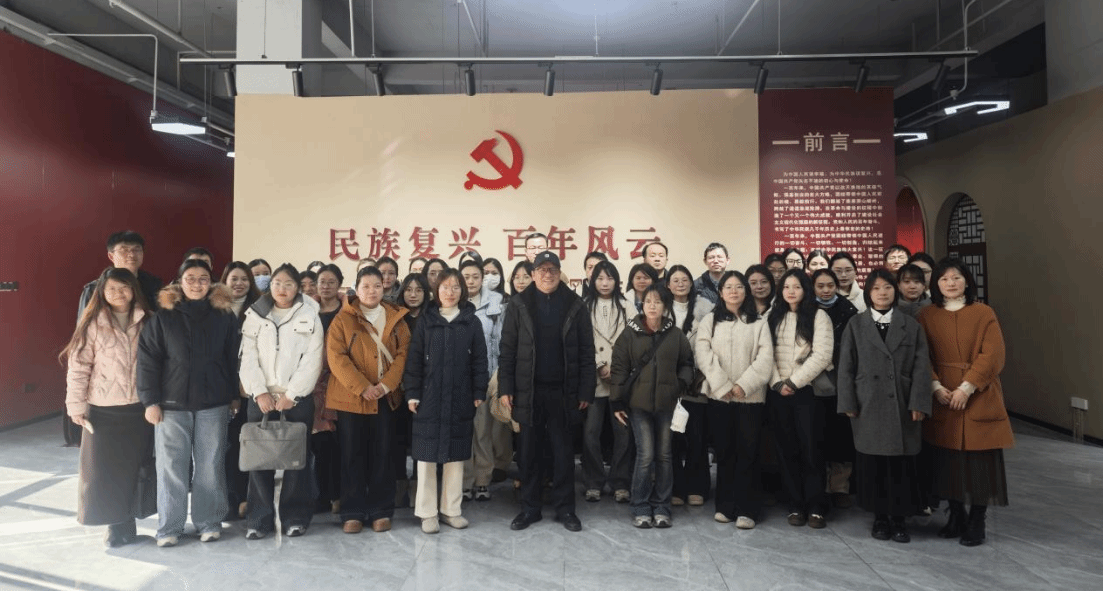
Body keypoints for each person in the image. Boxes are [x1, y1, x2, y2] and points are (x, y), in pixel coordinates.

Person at [137, 260, 240, 547]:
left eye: (203, 278)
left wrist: (234, 395)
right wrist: (150, 401)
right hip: (171, 405)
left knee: (210, 465)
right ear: (180, 282)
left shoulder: (224, 317)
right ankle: (169, 527)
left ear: (212, 283)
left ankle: (209, 522)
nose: (197, 284)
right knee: (171, 467)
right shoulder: (163, 318)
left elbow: (232, 359)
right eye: (190, 278)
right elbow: (147, 362)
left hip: (213, 403)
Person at [918, 258, 1014, 547]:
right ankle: (956, 515)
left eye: (956, 277)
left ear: (967, 281)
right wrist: (935, 386)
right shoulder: (926, 315)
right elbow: (921, 356)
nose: (951, 283)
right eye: (944, 278)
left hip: (978, 394)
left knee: (979, 462)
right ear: (935, 283)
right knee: (948, 461)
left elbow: (993, 354)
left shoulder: (983, 312)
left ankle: (977, 520)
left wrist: (967, 387)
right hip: (942, 395)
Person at [499, 251, 595, 533]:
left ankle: (566, 509)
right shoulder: (518, 304)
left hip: (564, 392)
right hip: (528, 391)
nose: (547, 274)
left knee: (563, 453)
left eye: (553, 269)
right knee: (528, 453)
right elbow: (507, 349)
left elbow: (586, 351)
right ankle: (530, 508)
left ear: (560, 273)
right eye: (542, 269)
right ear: (533, 274)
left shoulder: (575, 304)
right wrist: (506, 387)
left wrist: (585, 390)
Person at [838, 269, 932, 544]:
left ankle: (900, 519)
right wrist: (848, 401)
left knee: (901, 465)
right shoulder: (856, 324)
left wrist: (918, 402)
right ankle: (879, 517)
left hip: (902, 403)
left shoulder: (910, 324)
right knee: (874, 465)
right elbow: (846, 367)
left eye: (887, 287)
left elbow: (921, 367)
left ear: (895, 290)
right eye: (876, 288)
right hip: (868, 403)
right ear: (868, 292)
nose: (882, 292)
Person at [63, 267, 153, 547]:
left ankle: (129, 523)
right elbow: (79, 368)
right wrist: (76, 406)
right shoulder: (92, 323)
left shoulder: (148, 320)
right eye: (111, 288)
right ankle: (115, 527)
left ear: (133, 290)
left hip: (138, 409)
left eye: (124, 287)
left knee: (135, 470)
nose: (118, 293)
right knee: (105, 472)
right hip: (103, 410)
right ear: (102, 292)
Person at [239, 264, 324, 539]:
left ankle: (295, 517)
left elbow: (313, 358)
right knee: (259, 459)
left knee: (297, 460)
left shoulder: (309, 314)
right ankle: (258, 520)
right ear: (270, 285)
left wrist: (293, 394)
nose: (282, 289)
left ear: (297, 287)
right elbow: (247, 356)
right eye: (277, 283)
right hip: (261, 397)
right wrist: (258, 392)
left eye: (288, 284)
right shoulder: (254, 314)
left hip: (296, 399)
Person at [324, 266, 411, 534]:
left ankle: (380, 510)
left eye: (377, 286)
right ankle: (352, 511)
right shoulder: (343, 319)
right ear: (356, 288)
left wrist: (385, 385)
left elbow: (404, 354)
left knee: (383, 453)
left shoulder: (397, 317)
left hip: (385, 397)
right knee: (351, 454)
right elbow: (336, 357)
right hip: (351, 398)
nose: (371, 291)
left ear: (384, 288)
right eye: (366, 286)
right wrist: (362, 387)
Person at [403, 270, 490, 533]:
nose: (450, 292)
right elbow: (414, 360)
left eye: (455, 287)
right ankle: (427, 512)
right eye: (444, 287)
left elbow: (480, 361)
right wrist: (412, 393)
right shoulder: (426, 321)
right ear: (436, 290)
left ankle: (451, 510)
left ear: (462, 291)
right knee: (426, 458)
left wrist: (479, 392)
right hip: (429, 398)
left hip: (460, 397)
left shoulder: (471, 322)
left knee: (455, 457)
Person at [694, 271, 774, 529]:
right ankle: (725, 506)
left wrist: (743, 385)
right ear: (720, 292)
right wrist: (723, 385)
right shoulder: (710, 320)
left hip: (750, 398)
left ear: (745, 291)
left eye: (739, 287)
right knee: (725, 452)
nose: (733, 291)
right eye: (728, 287)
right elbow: (702, 354)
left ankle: (748, 509)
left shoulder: (758, 322)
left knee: (748, 452)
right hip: (720, 397)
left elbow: (765, 358)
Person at [610, 284, 694, 529]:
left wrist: (680, 383)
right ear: (642, 305)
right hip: (638, 405)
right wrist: (616, 401)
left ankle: (662, 506)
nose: (652, 306)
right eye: (648, 301)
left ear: (665, 306)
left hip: (667, 405)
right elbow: (619, 368)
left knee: (665, 456)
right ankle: (640, 505)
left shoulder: (675, 334)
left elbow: (687, 362)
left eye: (657, 302)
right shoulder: (630, 334)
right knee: (646, 455)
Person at [767, 269, 833, 529]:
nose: (791, 291)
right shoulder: (773, 315)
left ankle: (816, 506)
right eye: (786, 287)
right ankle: (795, 504)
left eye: (796, 286)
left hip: (807, 393)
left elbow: (822, 355)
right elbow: (764, 353)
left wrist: (793, 382)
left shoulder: (819, 316)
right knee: (786, 449)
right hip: (778, 392)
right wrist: (777, 382)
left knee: (811, 449)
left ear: (806, 289)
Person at [581, 261, 634, 503]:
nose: (604, 283)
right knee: (590, 433)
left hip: (620, 379)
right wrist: (600, 364)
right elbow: (582, 341)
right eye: (600, 278)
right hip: (594, 379)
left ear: (617, 281)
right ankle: (593, 482)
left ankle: (620, 482)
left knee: (622, 433)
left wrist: (617, 368)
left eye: (609, 278)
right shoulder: (584, 306)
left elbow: (635, 340)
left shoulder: (627, 306)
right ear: (593, 281)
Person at [458, 261, 508, 501]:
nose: (470, 281)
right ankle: (465, 481)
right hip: (460, 380)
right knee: (464, 433)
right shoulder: (453, 301)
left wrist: (498, 374)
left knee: (483, 432)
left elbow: (501, 341)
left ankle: (482, 480)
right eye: (466, 276)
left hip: (487, 376)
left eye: (475, 276)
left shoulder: (496, 302)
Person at [811, 269, 859, 509]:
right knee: (817, 436)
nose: (826, 290)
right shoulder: (806, 308)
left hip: (841, 379)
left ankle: (840, 487)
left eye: (830, 285)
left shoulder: (848, 310)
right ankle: (820, 486)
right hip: (811, 381)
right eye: (820, 286)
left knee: (841, 436)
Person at [665, 264, 712, 507]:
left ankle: (697, 486)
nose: (680, 284)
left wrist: (700, 373)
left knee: (697, 437)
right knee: (672, 439)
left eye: (685, 279)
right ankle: (676, 487)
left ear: (691, 283)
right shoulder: (661, 306)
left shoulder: (706, 308)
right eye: (675, 280)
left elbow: (712, 343)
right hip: (669, 383)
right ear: (668, 285)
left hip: (697, 382)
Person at [220, 261, 262, 520]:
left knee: (247, 444)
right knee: (224, 447)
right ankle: (228, 499)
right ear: (224, 280)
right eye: (234, 278)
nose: (239, 284)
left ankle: (247, 498)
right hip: (219, 387)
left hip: (249, 390)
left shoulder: (259, 309)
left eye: (244, 279)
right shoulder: (215, 308)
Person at [312, 264, 345, 514]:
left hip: (342, 384)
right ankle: (323, 495)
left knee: (342, 443)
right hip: (314, 386)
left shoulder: (348, 312)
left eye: (331, 282)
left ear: (339, 285)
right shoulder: (307, 311)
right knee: (320, 444)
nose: (326, 286)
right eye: (322, 281)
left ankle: (340, 495)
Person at [78, 231, 161, 318]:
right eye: (124, 250)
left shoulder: (154, 285)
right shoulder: (94, 289)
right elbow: (84, 324)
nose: (131, 254)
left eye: (136, 249)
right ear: (111, 256)